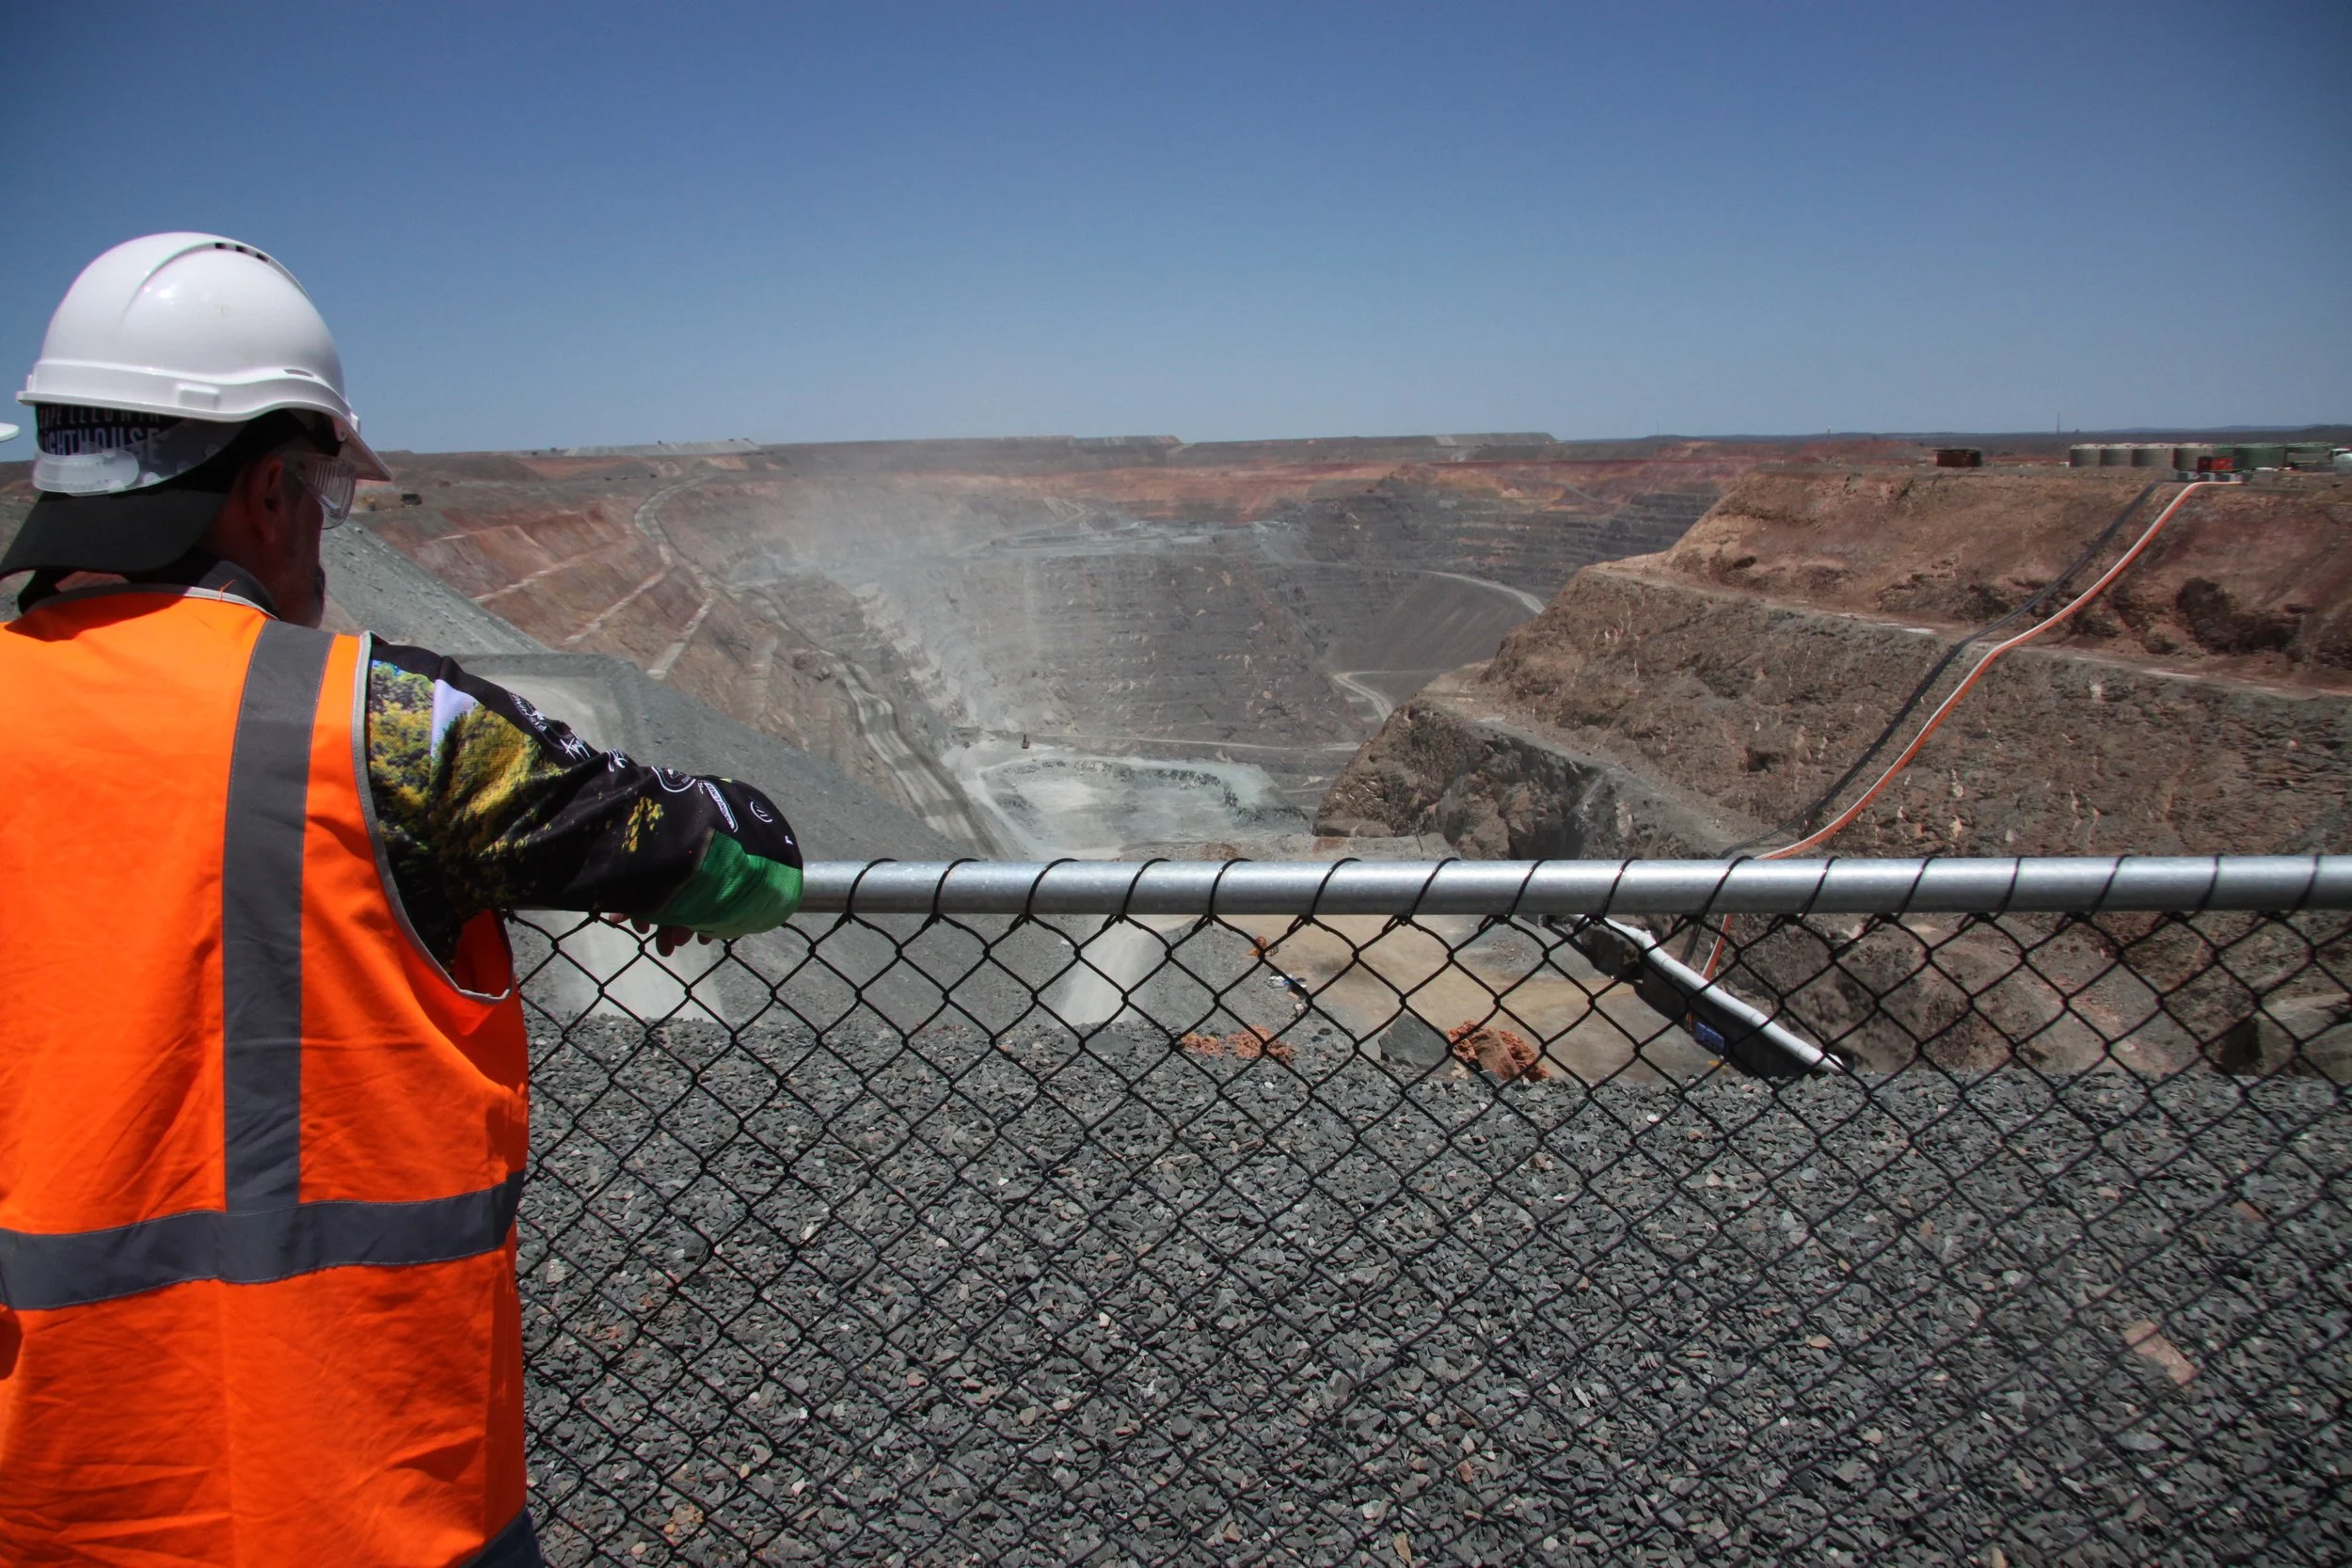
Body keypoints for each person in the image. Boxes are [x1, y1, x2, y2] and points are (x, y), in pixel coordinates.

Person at [0, 234, 804, 1567]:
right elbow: (741, 863)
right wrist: (718, 846)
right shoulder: (383, 729)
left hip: (59, 1504)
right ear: (267, 489)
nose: (323, 529)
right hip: (375, 1500)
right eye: (325, 495)